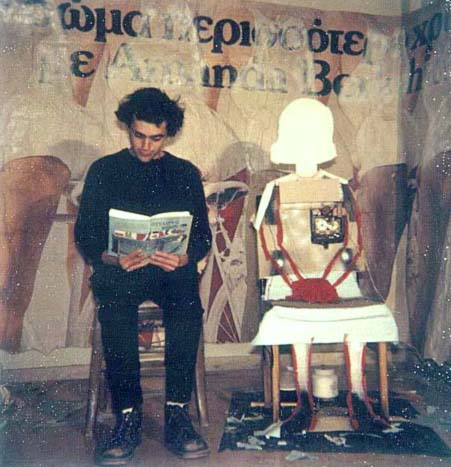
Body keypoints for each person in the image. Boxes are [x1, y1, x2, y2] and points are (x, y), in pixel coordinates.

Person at [74, 87, 212, 465]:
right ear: (128, 127)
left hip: (169, 271)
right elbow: (86, 235)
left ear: (169, 135)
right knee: (116, 310)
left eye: (156, 138)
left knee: (187, 306)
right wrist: (112, 257)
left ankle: (177, 413)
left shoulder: (185, 173)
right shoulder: (104, 170)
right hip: (122, 271)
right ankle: (128, 416)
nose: (146, 146)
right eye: (139, 135)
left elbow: (202, 237)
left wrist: (184, 257)